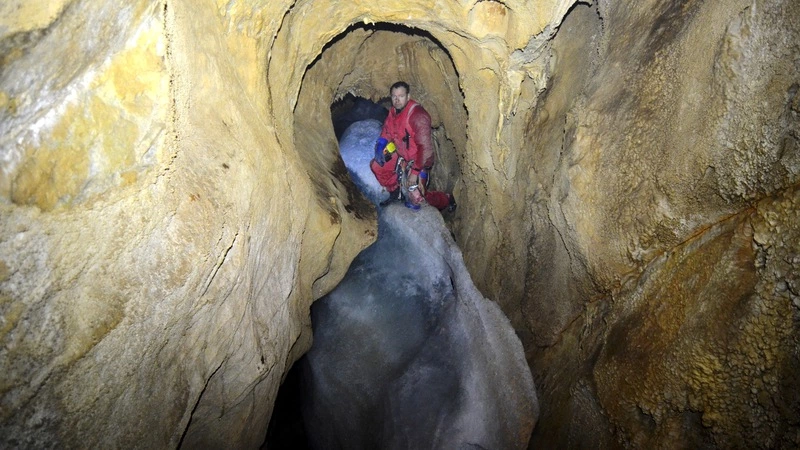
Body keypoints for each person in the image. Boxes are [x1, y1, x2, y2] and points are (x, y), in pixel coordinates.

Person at [370, 81, 456, 212]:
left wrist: (415, 173)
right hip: (401, 155)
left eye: (401, 96)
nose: (397, 100)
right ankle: (396, 192)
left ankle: (446, 199)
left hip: (418, 161)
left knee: (417, 197)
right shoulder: (394, 111)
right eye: (394, 96)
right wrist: (381, 143)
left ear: (408, 97)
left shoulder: (418, 116)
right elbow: (387, 130)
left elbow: (425, 150)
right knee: (377, 166)